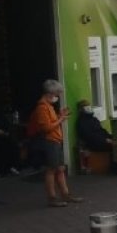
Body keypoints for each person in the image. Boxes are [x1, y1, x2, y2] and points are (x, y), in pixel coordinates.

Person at [30, 80, 83, 208]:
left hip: (55, 141)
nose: (58, 96)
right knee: (51, 169)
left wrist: (60, 115)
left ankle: (66, 194)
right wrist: (61, 119)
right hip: (50, 142)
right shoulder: (42, 108)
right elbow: (46, 128)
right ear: (51, 93)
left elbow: (52, 122)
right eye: (57, 93)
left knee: (60, 169)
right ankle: (52, 198)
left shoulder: (49, 106)